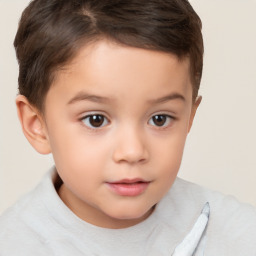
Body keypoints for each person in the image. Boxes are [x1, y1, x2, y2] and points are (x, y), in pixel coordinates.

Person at [0, 0, 255, 255]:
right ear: (37, 125)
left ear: (190, 116)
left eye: (159, 119)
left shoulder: (240, 235)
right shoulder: (12, 244)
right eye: (96, 120)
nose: (132, 151)